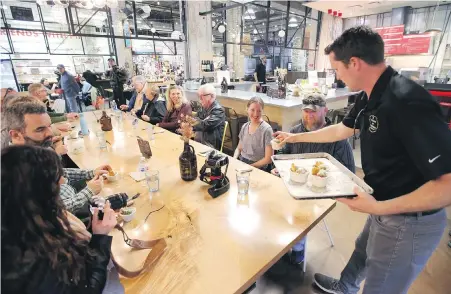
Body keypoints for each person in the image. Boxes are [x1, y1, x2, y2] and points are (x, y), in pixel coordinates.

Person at [275, 26, 451, 294]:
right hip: (381, 202)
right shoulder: (370, 94)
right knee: (363, 250)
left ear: (354, 63)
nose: (337, 76)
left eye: (337, 70)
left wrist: (379, 208)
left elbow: (447, 185)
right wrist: (293, 138)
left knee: (381, 285)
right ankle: (346, 286)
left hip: (408, 219)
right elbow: (340, 130)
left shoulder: (407, 102)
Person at [1, 145, 117, 294]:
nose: (63, 182)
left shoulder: (21, 223)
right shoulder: (37, 256)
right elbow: (88, 288)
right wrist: (100, 237)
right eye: (56, 179)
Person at [272, 94, 355, 267]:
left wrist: (323, 178)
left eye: (314, 112)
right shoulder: (294, 132)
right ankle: (280, 241)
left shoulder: (338, 139)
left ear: (325, 110)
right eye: (306, 111)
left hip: (320, 190)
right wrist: (278, 163)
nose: (309, 115)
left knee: (300, 206)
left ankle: (297, 247)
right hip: (294, 184)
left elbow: (348, 173)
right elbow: (283, 155)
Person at [3, 98, 109, 214]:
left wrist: (91, 173)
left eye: (49, 126)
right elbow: (52, 211)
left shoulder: (35, 151)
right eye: (40, 129)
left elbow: (58, 172)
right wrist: (89, 191)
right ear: (16, 135)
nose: (50, 133)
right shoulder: (14, 172)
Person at [234, 97, 273, 170]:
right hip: (242, 162)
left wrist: (250, 167)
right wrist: (234, 159)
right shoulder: (245, 126)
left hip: (259, 167)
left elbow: (268, 159)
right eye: (252, 110)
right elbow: (239, 148)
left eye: (259, 111)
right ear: (247, 109)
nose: (256, 114)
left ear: (262, 111)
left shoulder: (267, 130)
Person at [194, 84, 225, 150]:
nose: (199, 99)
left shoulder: (218, 110)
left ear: (212, 96)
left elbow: (205, 125)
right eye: (199, 96)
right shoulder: (204, 107)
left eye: (201, 96)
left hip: (210, 146)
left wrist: (193, 123)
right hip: (199, 141)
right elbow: (196, 119)